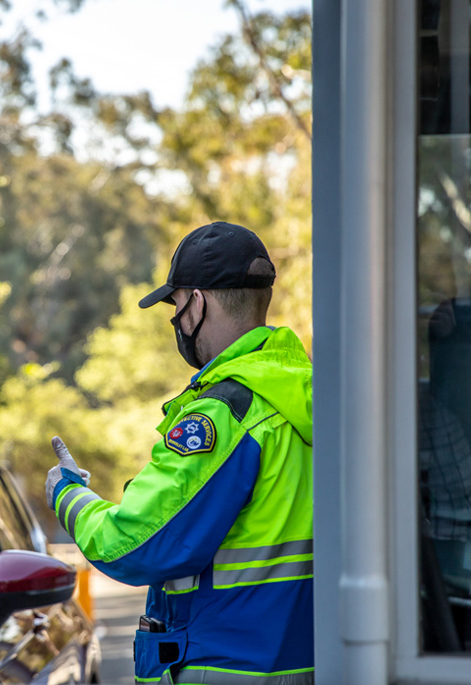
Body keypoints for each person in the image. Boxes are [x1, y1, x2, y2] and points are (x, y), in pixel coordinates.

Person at [45, 221, 314, 684]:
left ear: (198, 302)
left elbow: (132, 544)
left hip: (226, 668)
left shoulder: (226, 413)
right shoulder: (304, 394)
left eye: (175, 305)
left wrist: (69, 496)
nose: (176, 321)